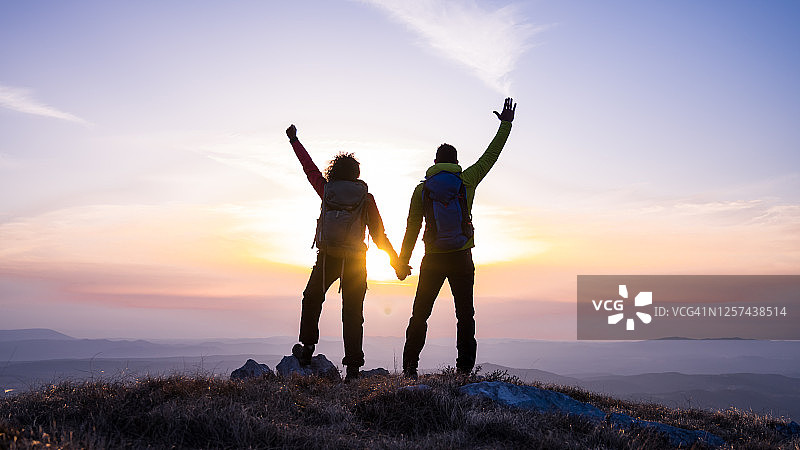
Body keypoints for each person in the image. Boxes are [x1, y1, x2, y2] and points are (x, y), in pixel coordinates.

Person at [396, 98, 516, 379]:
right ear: (456, 162)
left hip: (432, 258)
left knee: (420, 314)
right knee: (465, 315)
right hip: (462, 256)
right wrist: (506, 125)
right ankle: (463, 371)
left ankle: (409, 369)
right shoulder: (467, 180)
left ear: (435, 163)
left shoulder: (422, 190)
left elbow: (412, 228)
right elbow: (491, 156)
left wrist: (402, 262)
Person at [286, 124, 403, 382]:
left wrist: (294, 140)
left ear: (334, 172)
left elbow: (309, 168)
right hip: (356, 261)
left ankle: (307, 346)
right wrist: (396, 262)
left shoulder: (327, 191)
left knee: (312, 297)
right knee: (352, 313)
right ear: (356, 175)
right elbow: (379, 235)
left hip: (328, 257)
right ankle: (352, 368)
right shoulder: (365, 198)